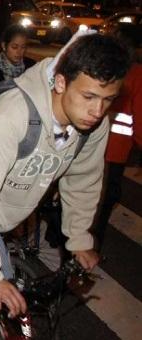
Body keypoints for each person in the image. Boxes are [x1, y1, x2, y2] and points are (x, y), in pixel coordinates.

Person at [0, 33, 131, 339]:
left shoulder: (93, 126)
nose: (98, 111)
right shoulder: (11, 117)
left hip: (6, 204)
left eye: (108, 100)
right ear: (61, 83)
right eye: (88, 97)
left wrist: (78, 237)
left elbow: (83, 180)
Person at [95, 26, 141, 252]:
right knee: (104, 200)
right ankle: (89, 249)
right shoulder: (136, 74)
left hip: (89, 142)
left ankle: (59, 234)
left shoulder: (104, 65)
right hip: (114, 150)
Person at [0, 24, 36, 89]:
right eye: (14, 47)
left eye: (23, 47)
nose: (19, 52)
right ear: (4, 46)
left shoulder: (32, 66)